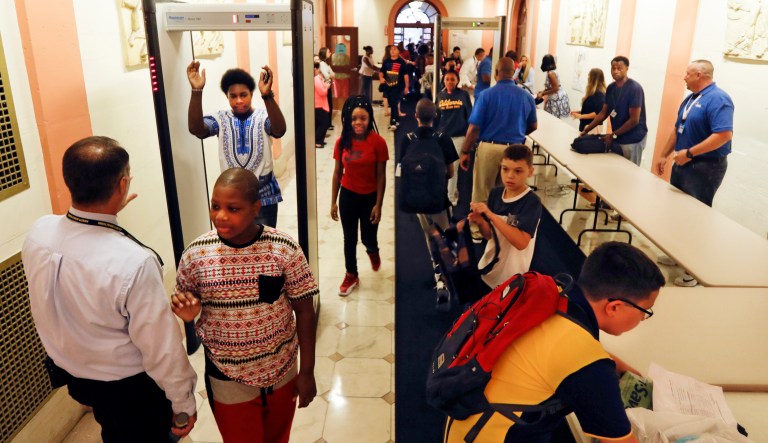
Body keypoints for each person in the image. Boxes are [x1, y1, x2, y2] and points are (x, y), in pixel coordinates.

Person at [22, 136, 197, 442]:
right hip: (128, 390)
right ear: (122, 185)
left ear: (69, 180)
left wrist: (107, 215)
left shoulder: (39, 232)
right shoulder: (134, 263)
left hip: (76, 378)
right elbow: (161, 349)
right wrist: (183, 404)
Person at [445, 241, 665, 443]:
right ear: (614, 307)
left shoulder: (556, 294)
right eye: (645, 311)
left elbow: (571, 349)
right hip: (493, 436)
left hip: (467, 417)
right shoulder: (588, 365)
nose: (643, 319)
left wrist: (627, 371)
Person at [171, 168, 318, 443]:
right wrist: (189, 315)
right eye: (216, 206)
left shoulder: (283, 248)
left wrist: (307, 370)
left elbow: (305, 312)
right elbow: (188, 305)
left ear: (255, 208)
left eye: (233, 208)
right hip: (227, 377)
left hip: (282, 369)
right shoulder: (195, 255)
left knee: (278, 438)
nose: (220, 216)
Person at [654, 59, 734, 287]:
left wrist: (689, 153)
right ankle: (677, 254)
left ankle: (693, 270)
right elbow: (677, 128)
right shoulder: (690, 99)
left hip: (705, 167)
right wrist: (663, 154)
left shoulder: (719, 99)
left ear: (699, 75)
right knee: (678, 214)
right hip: (684, 164)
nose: (684, 77)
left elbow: (723, 135)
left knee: (695, 218)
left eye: (687, 74)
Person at [187, 61, 287, 227]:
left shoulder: (263, 117)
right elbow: (196, 129)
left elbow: (279, 130)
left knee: (263, 246)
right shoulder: (220, 119)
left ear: (251, 94)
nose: (239, 100)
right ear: (227, 97)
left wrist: (267, 96)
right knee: (234, 246)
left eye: (244, 94)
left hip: (263, 196)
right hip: (231, 198)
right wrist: (196, 91)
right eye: (233, 96)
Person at [331, 96, 389, 296]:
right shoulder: (341, 142)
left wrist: (378, 205)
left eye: (363, 118)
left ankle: (373, 250)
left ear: (369, 119)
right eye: (354, 118)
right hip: (347, 196)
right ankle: (351, 274)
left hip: (370, 198)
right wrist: (333, 202)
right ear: (348, 119)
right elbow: (337, 173)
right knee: (349, 238)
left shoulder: (379, 143)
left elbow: (381, 176)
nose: (358, 122)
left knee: (367, 237)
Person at [460, 57, 537, 206]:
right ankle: (501, 225)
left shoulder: (486, 95)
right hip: (515, 150)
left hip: (489, 148)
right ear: (513, 72)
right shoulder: (526, 96)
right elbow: (533, 126)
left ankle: (478, 228)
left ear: (496, 72)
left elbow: (474, 128)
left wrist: (465, 151)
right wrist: (519, 132)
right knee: (507, 194)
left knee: (482, 193)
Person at [466, 145, 542, 291]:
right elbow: (489, 235)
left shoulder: (531, 202)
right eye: (505, 169)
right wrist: (480, 221)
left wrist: (491, 215)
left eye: (518, 171)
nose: (510, 176)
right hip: (489, 266)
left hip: (512, 275)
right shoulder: (496, 193)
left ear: (530, 172)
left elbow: (521, 242)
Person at [399, 99, 458, 274]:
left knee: (429, 232)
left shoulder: (407, 139)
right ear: (436, 116)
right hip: (438, 198)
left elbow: (403, 168)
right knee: (445, 232)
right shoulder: (443, 139)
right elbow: (451, 173)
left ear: (416, 116)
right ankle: (449, 267)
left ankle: (436, 266)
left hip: (416, 197)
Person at [580, 56, 648, 166]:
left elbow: (634, 120)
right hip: (619, 137)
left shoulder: (634, 89)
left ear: (627, 69)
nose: (616, 71)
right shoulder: (611, 88)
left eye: (619, 68)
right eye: (613, 68)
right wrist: (586, 130)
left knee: (630, 171)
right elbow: (603, 113)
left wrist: (613, 134)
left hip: (633, 139)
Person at [436, 69, 473, 206]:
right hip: (443, 137)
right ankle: (450, 191)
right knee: (443, 167)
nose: (450, 81)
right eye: (447, 79)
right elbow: (436, 117)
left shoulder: (463, 95)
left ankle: (450, 197)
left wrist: (470, 136)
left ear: (457, 81)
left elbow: (469, 116)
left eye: (452, 79)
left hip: (459, 137)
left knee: (453, 167)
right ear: (444, 81)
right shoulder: (440, 95)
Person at [380, 45, 410, 130]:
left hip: (397, 86)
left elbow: (406, 75)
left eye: (394, 49)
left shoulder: (401, 62)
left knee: (393, 103)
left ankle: (393, 122)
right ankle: (396, 119)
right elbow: (381, 72)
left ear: (398, 51)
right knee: (392, 102)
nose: (392, 51)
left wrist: (406, 87)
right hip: (387, 86)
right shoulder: (386, 61)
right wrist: (381, 78)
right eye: (391, 50)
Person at [571, 67, 607, 133]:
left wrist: (581, 116)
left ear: (594, 78)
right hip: (586, 126)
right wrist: (579, 112)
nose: (588, 77)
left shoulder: (599, 94)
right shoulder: (593, 92)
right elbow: (590, 109)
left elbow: (598, 113)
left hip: (592, 128)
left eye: (589, 75)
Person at [537, 54, 571, 119]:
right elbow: (551, 87)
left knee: (552, 118)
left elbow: (556, 88)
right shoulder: (551, 72)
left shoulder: (550, 73)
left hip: (556, 98)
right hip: (556, 96)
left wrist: (543, 93)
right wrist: (542, 91)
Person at [318, 47, 336, 129]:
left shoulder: (325, 64)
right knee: (327, 105)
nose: (330, 53)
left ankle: (329, 123)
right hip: (325, 87)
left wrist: (330, 74)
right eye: (328, 51)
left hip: (328, 86)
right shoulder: (321, 64)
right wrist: (330, 74)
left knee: (330, 105)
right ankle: (327, 124)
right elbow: (327, 76)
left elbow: (333, 75)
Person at [314, 62, 331, 148]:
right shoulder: (316, 80)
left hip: (321, 104)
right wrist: (327, 87)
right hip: (319, 105)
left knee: (320, 123)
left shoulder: (319, 79)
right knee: (324, 123)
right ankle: (317, 141)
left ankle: (319, 140)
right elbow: (322, 92)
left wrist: (326, 85)